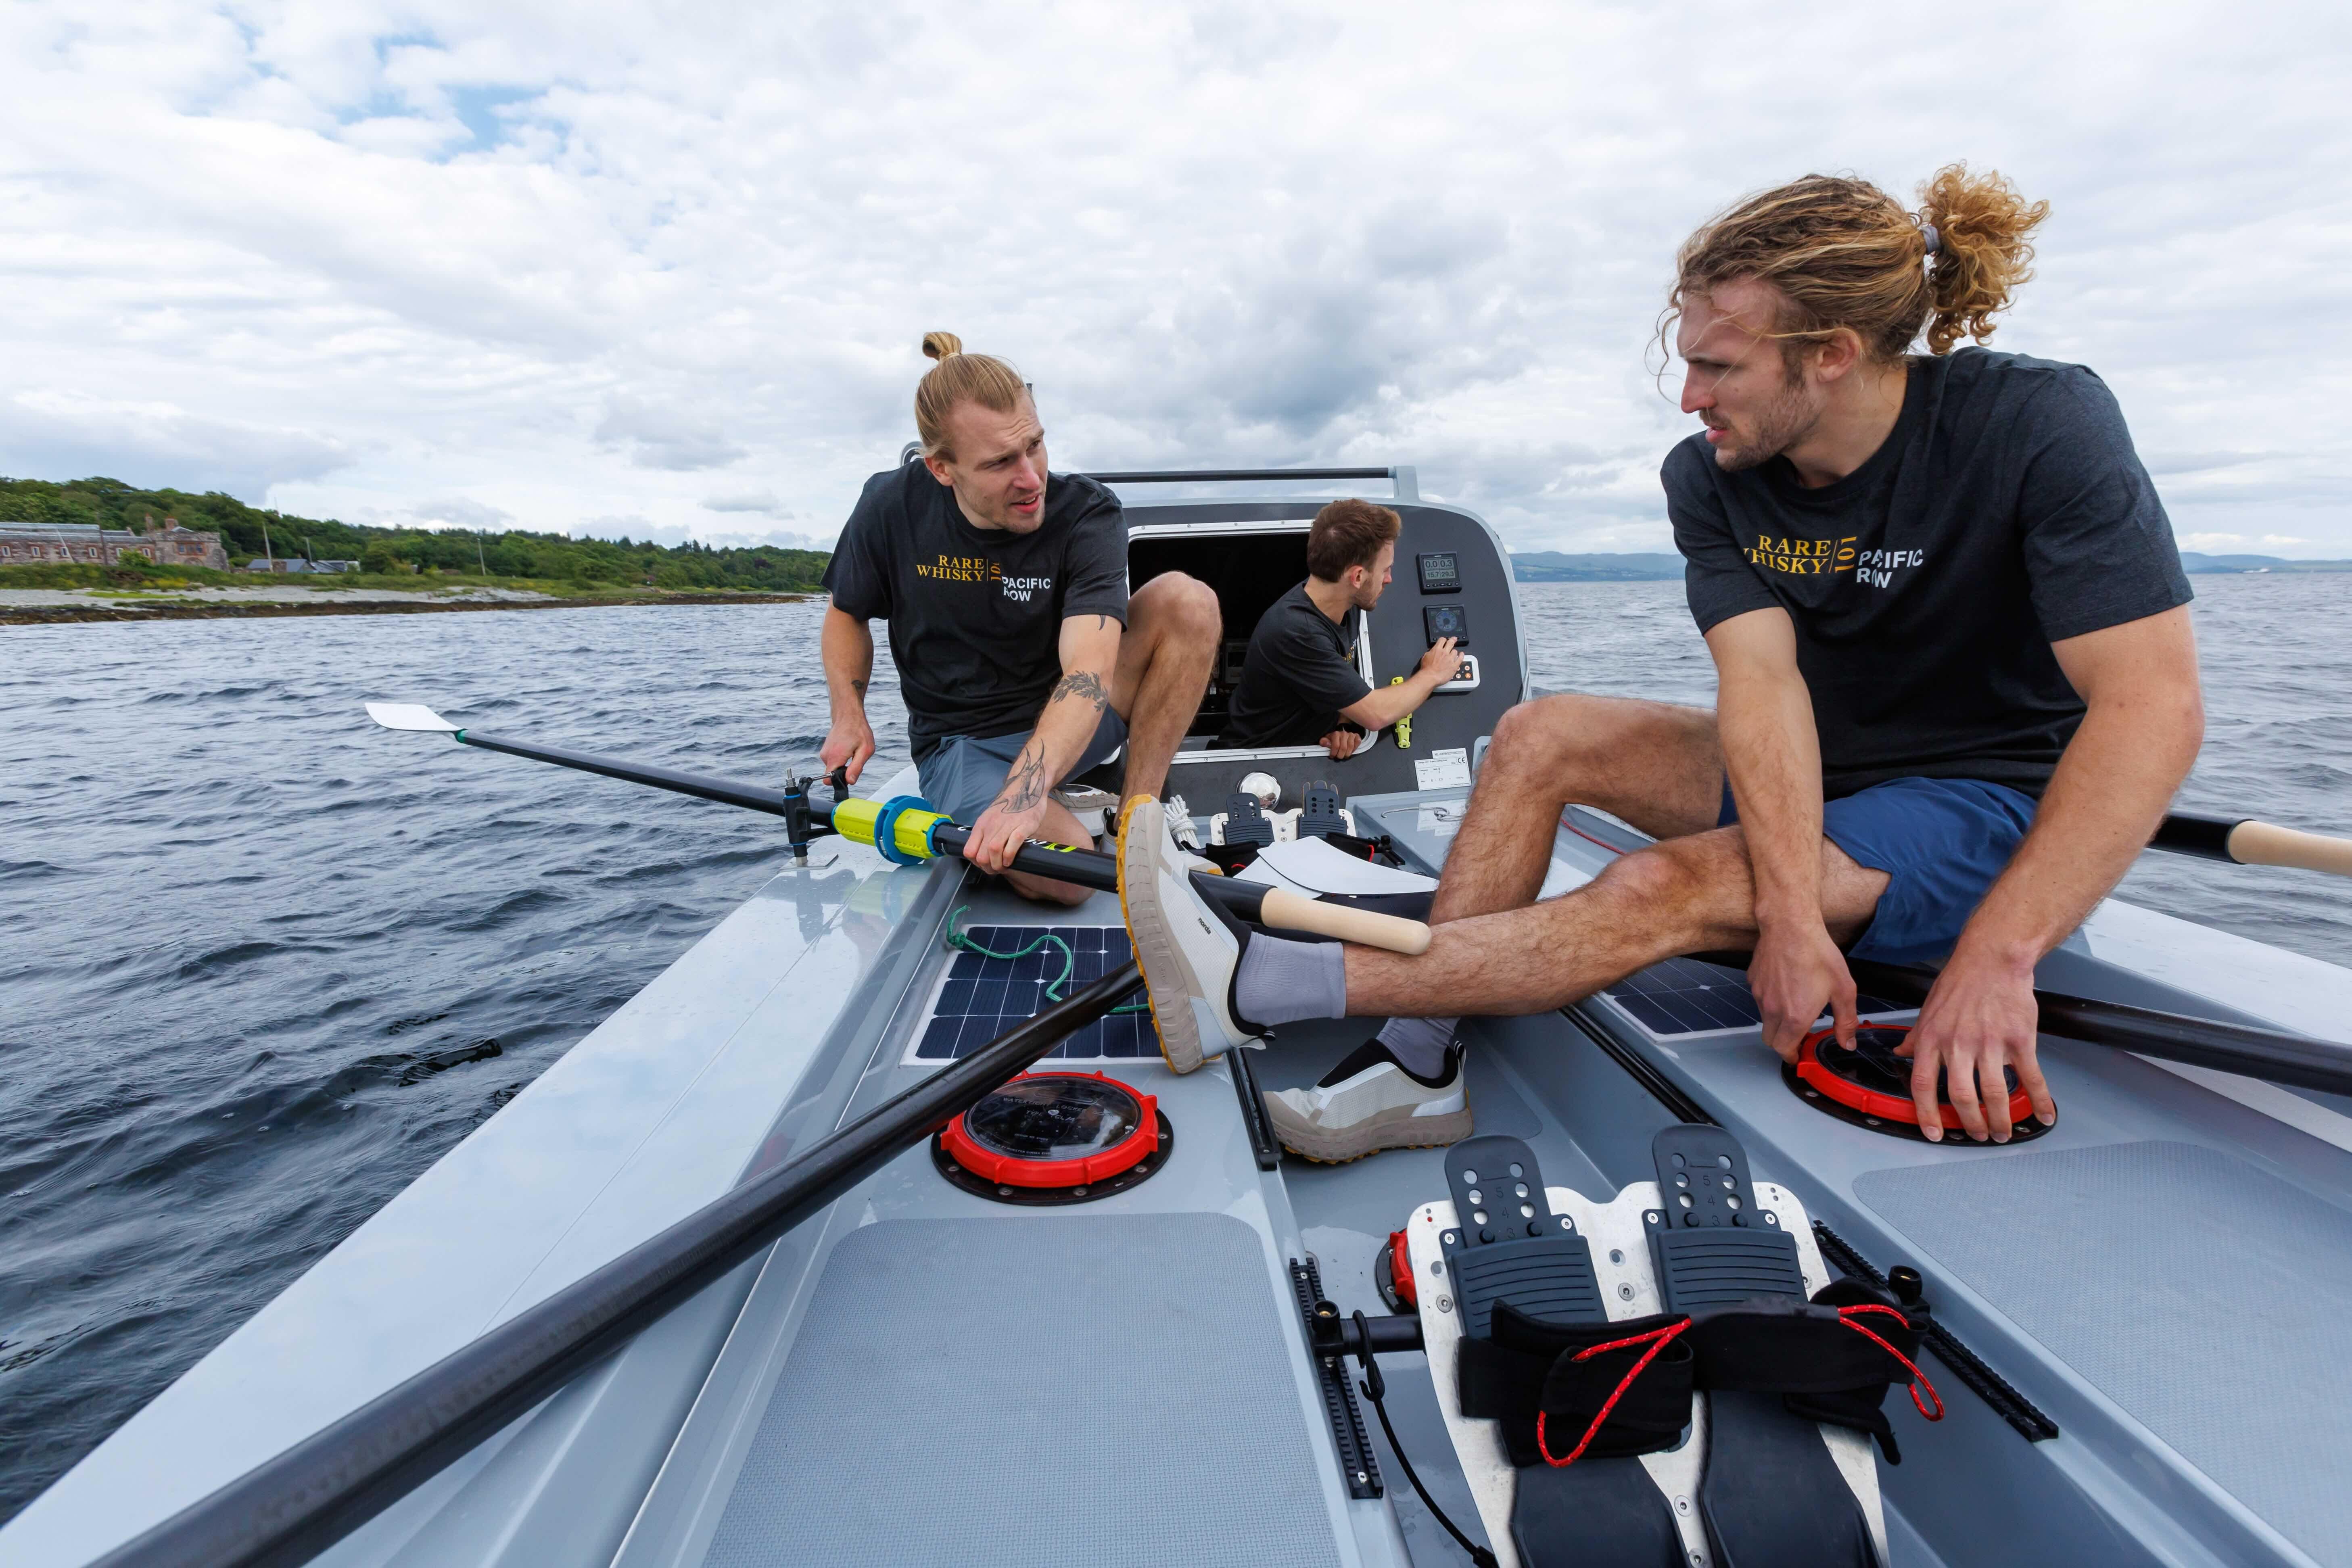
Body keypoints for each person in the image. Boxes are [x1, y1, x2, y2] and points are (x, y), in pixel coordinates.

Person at [1117, 165, 2203, 1162]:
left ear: (1829, 354)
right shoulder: (1715, 473)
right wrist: (1786, 909)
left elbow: (2149, 704)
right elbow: (1763, 686)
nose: (1688, 397)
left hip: (1977, 800)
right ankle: (1417, 1052)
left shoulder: (2035, 423)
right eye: (1684, 359)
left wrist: (2003, 953)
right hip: (1825, 768)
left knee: (1654, 883)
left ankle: (1265, 984)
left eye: (1717, 365)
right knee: (1538, 733)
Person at [821, 333, 1218, 904]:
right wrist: (848, 713)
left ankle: (1138, 824)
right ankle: (1034, 810)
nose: (1031, 478)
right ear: (941, 469)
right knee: (1071, 876)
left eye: (1035, 445)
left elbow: (1088, 668)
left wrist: (1027, 789)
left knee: (1189, 601)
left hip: (1070, 714)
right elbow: (845, 614)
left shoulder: (1086, 512)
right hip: (964, 743)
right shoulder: (890, 506)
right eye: (1001, 462)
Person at [1221, 497, 1464, 758]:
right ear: (1357, 577)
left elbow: (1329, 682)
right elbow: (1376, 714)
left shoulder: (1346, 602)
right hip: (1251, 763)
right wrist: (1433, 674)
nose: (1390, 579)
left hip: (1302, 752)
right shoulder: (1296, 631)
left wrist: (1343, 723)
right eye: (1386, 570)